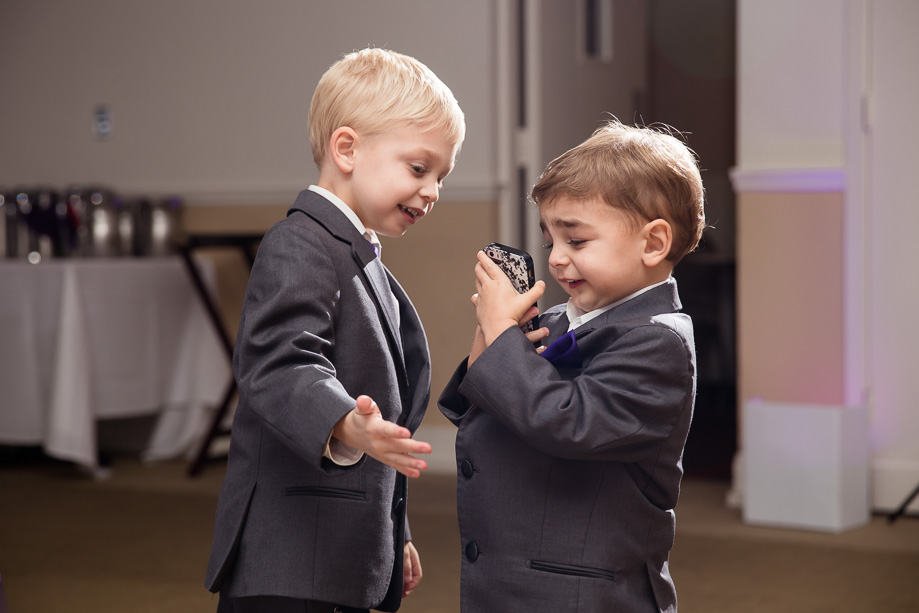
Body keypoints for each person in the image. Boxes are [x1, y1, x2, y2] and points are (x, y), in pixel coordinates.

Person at [205, 47, 465, 613]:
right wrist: (343, 421)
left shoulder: (360, 255)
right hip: (289, 559)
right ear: (346, 149)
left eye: (442, 176)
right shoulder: (298, 243)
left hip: (337, 550)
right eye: (419, 168)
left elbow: (380, 427)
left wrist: (396, 527)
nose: (433, 190)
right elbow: (279, 363)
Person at [438, 120, 705, 612]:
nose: (557, 259)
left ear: (653, 243)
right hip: (512, 578)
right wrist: (487, 350)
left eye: (577, 242)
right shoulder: (560, 318)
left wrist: (503, 347)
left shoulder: (659, 341)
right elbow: (493, 410)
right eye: (549, 242)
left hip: (585, 593)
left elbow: (569, 422)